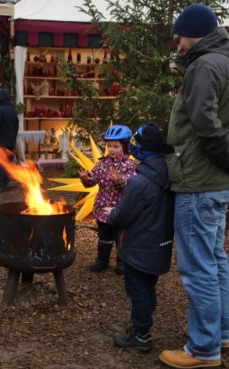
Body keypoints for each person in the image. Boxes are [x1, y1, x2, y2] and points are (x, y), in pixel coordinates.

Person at [159, 4, 229, 369]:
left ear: (193, 32)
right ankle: (222, 334)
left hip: (197, 181)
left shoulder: (203, 66)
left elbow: (204, 122)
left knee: (198, 268)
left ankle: (202, 350)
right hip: (217, 184)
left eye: (180, 35)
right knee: (216, 262)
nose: (177, 42)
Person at [105, 123, 174, 353]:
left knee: (137, 291)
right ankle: (143, 320)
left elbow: (122, 215)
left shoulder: (139, 182)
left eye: (137, 142)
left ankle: (142, 334)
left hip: (138, 249)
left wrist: (111, 213)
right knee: (148, 287)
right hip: (158, 247)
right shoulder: (166, 174)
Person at [79, 125, 136, 274]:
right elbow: (93, 181)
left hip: (120, 210)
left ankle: (122, 262)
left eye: (115, 146)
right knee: (104, 235)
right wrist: (86, 179)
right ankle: (101, 261)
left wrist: (120, 180)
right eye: (109, 145)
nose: (111, 149)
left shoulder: (131, 165)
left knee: (120, 237)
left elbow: (133, 185)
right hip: (102, 208)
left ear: (125, 146)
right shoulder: (102, 163)